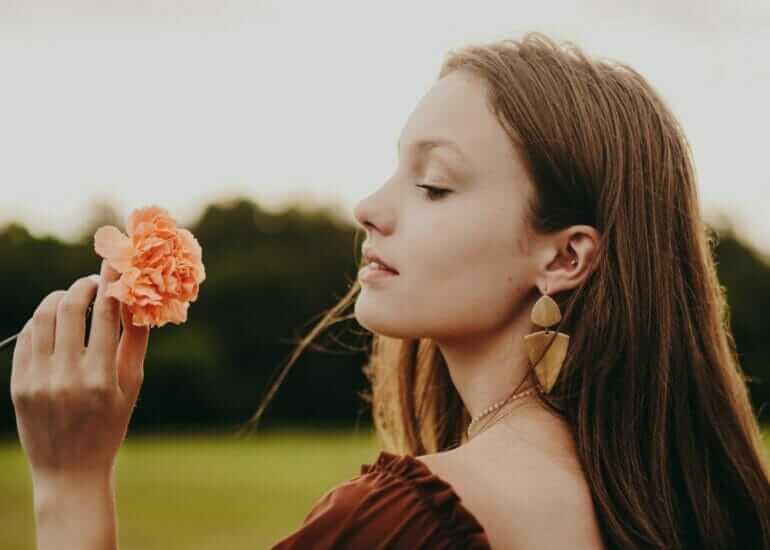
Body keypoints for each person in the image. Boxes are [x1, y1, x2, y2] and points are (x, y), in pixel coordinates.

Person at [10, 32, 770, 550]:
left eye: (434, 184)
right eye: (394, 171)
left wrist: (70, 484)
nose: (368, 208)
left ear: (566, 258)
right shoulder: (696, 509)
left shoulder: (403, 524)